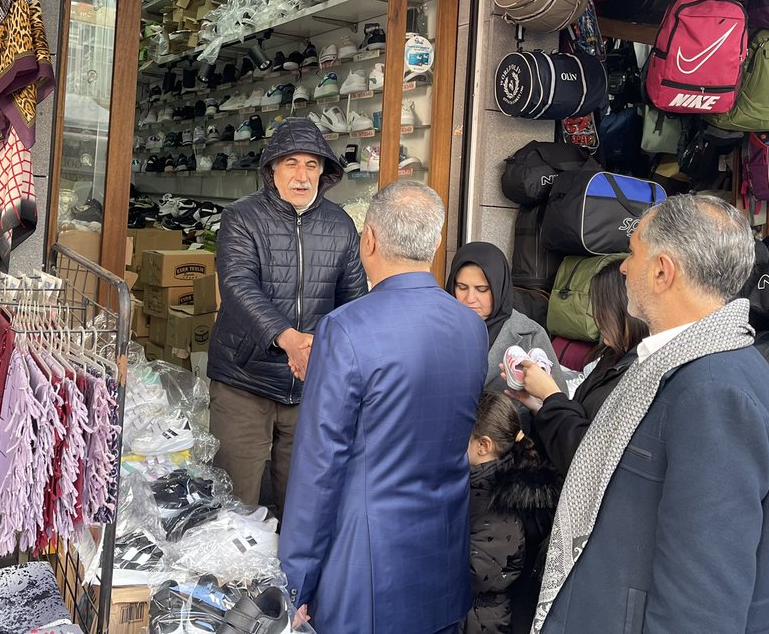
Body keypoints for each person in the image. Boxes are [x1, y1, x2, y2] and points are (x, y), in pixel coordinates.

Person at [532, 195, 769, 634]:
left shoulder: (714, 390)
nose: (624, 268)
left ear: (662, 270)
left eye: (632, 252)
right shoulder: (682, 365)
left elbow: (702, 607)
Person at [280, 181, 489, 634]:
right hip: (443, 557)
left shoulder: (345, 328)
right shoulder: (472, 327)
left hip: (365, 569)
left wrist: (294, 582)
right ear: (435, 245)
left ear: (368, 241)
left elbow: (319, 466)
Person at [206, 117, 367, 510]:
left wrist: (333, 356)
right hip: (245, 378)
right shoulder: (242, 217)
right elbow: (238, 287)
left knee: (300, 505)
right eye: (291, 163)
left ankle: (290, 574)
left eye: (312, 165)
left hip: (311, 385)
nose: (301, 174)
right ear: (272, 168)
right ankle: (235, 574)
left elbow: (353, 300)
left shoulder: (341, 225)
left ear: (324, 172)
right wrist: (289, 339)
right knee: (235, 501)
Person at [506, 262, 650, 475]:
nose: (597, 319)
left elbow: (587, 455)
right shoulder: (611, 357)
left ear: (627, 310)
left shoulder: (640, 373)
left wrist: (551, 396)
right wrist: (538, 405)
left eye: (603, 310)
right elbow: (578, 416)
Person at [466, 390, 560, 634]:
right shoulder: (481, 485)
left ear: (483, 445)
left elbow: (474, 573)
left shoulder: (498, 505)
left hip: (480, 622)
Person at [448, 243, 569, 391]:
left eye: (482, 289)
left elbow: (556, 400)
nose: (470, 298)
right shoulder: (437, 328)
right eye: (462, 287)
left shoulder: (530, 335)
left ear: (500, 288)